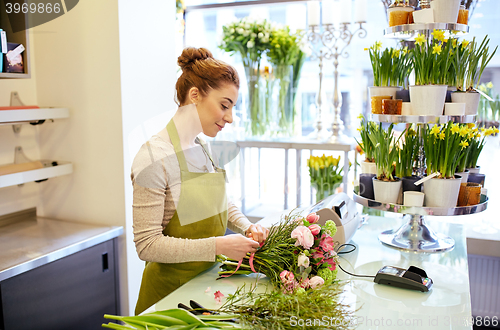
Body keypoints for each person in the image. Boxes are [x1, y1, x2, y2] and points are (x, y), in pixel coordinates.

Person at [132, 47, 269, 315]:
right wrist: (219, 246)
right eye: (224, 105)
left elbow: (217, 203)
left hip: (205, 287)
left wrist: (245, 226)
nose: (229, 117)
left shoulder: (202, 147)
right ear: (194, 95)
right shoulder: (153, 157)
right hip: (169, 298)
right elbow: (147, 245)